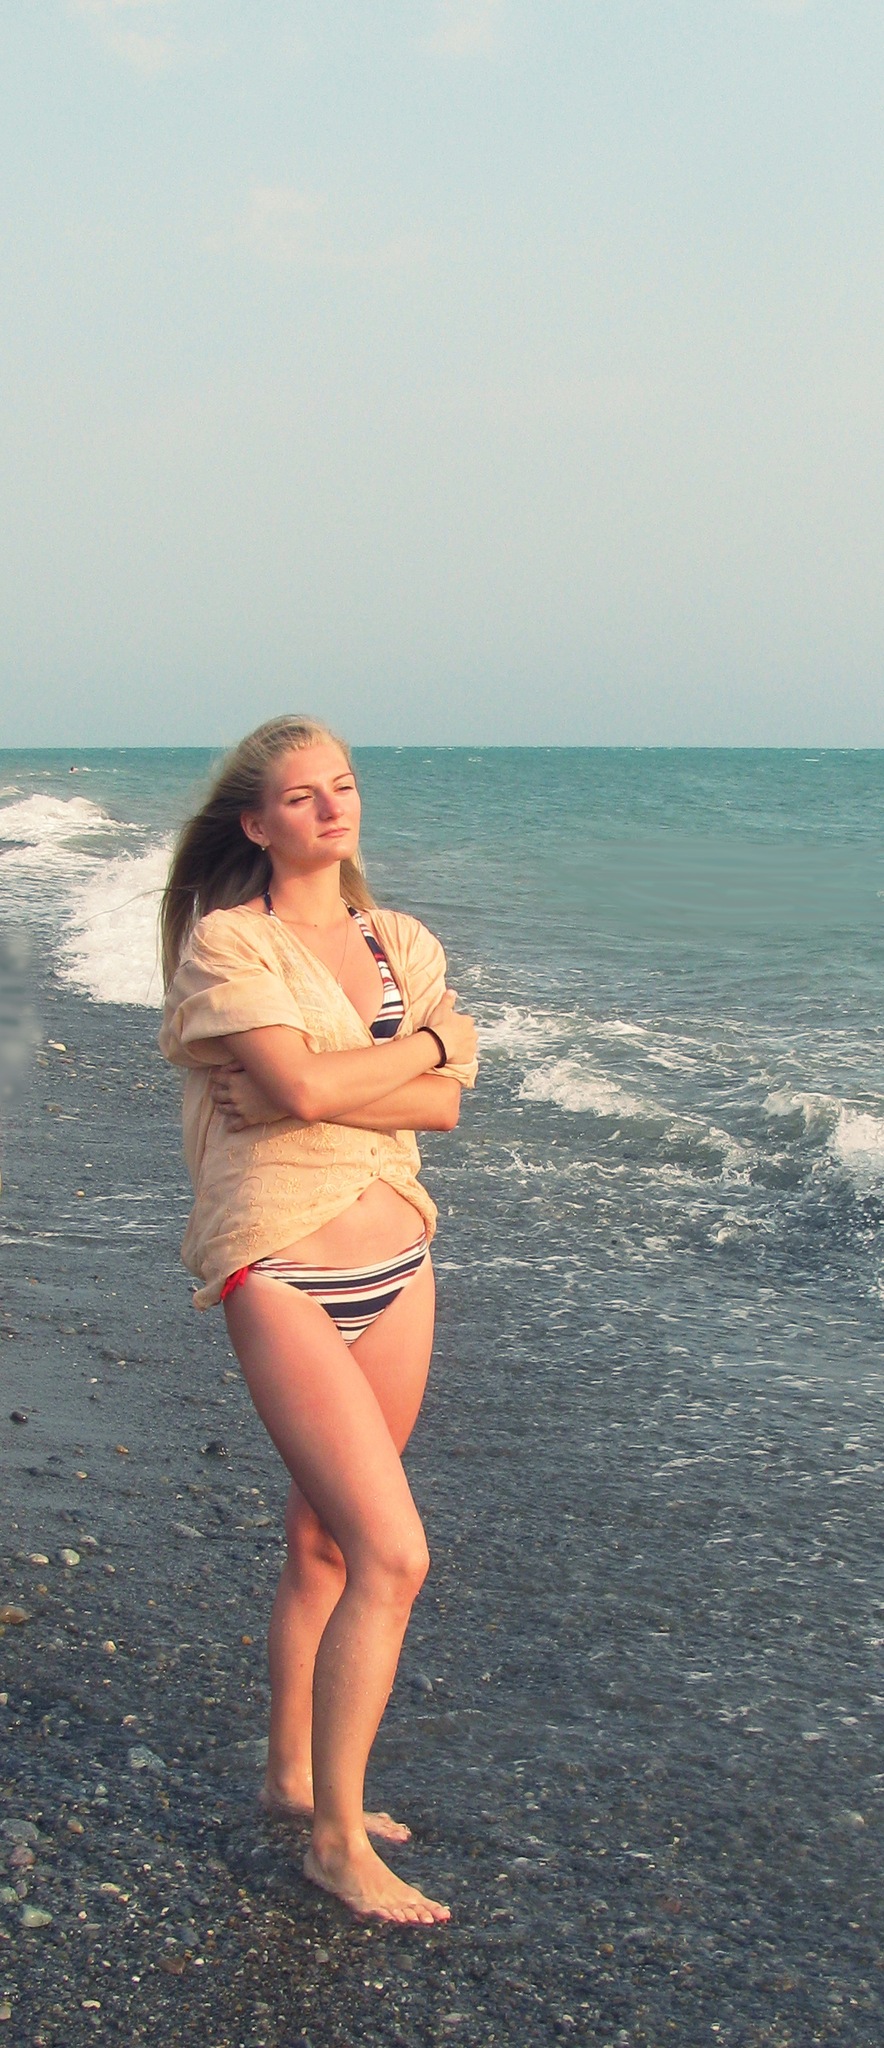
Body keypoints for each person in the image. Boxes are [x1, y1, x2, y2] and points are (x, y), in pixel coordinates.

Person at [159, 716, 478, 1925]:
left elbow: (441, 1106)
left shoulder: (402, 941)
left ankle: (294, 1777)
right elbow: (297, 1085)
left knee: (325, 1543)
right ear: (256, 822)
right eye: (301, 795)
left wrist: (389, 1065)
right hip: (281, 1266)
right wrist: (411, 1057)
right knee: (395, 1552)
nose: (331, 807)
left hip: (400, 1255)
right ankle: (337, 1843)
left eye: (341, 785)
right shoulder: (227, 942)